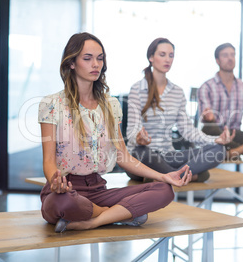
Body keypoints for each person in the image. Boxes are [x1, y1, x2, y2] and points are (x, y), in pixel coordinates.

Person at [38, 32, 192, 233]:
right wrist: (55, 182)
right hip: (65, 191)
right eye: (88, 58)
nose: (96, 64)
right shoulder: (51, 104)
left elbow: (123, 157)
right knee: (64, 204)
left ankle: (93, 221)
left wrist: (164, 176)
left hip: (98, 189)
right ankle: (118, 214)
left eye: (100, 58)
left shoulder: (110, 105)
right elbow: (48, 161)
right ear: (72, 63)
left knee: (163, 190)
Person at [126, 38, 234, 183]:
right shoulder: (137, 89)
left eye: (171, 55)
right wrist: (139, 138)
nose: (167, 60)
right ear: (151, 57)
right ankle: (184, 176)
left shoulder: (177, 92)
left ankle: (163, 177)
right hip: (142, 157)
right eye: (162, 54)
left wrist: (215, 139)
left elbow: (188, 131)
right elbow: (131, 130)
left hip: (169, 156)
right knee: (142, 152)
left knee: (219, 150)